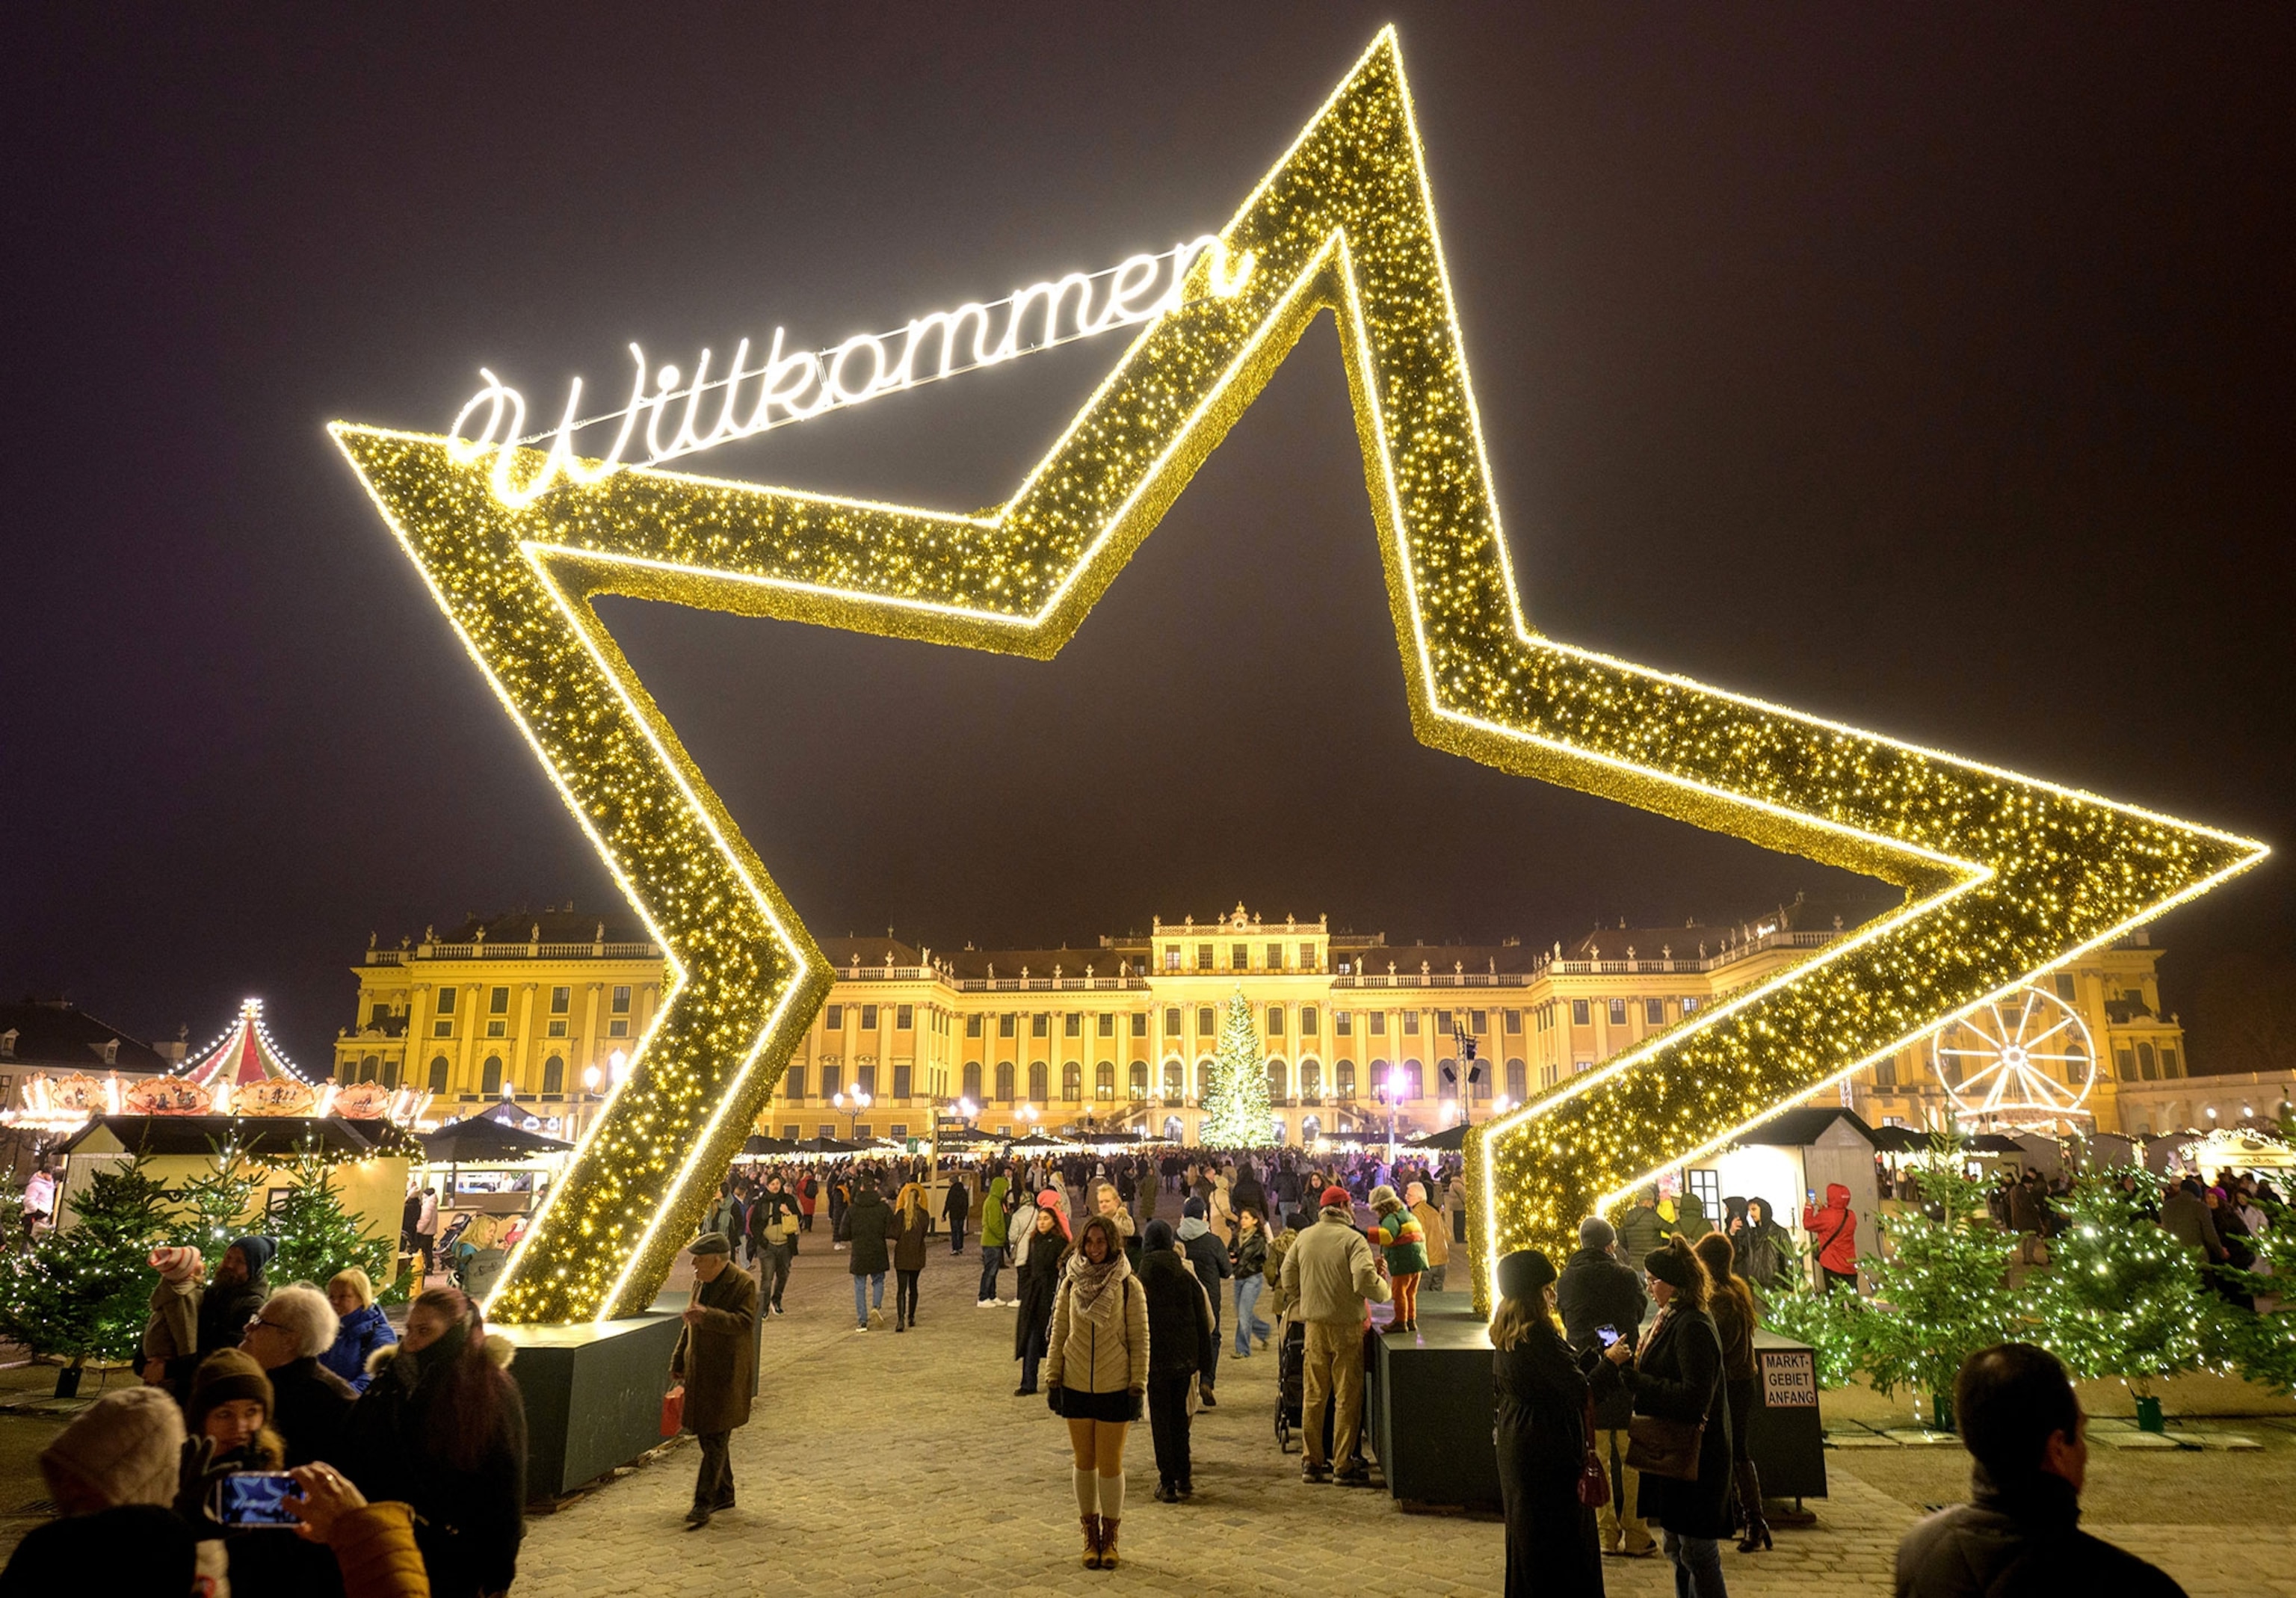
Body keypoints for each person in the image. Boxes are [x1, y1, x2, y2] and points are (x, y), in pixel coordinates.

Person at [1895, 1342, 2186, 1597]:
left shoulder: (1920, 1549)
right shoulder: (2132, 1585)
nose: (2085, 1453)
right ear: (2058, 1448)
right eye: (2081, 1434)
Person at [342, 1286, 527, 1598]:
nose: (411, 1343)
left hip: (455, 1560)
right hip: (389, 1547)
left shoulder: (490, 1392)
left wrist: (498, 1575)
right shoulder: (389, 1383)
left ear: (459, 1333)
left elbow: (506, 1486)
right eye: (410, 1330)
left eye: (425, 1332)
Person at [1596, 1235, 1732, 1598]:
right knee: (1677, 1548)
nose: (1649, 1287)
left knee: (1698, 1552)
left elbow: (1693, 1396)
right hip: (1675, 1453)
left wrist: (1639, 1380)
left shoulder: (1693, 1326)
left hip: (1695, 1454)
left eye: (1653, 1280)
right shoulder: (1671, 1317)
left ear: (1676, 1283)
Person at [5, 1386, 203, 1595]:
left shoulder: (185, 1561)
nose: (70, 1491)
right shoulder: (47, 1553)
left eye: (86, 1481)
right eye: (66, 1475)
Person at [1491, 1248, 1604, 1598]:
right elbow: (1577, 1390)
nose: (1553, 1297)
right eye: (1547, 1289)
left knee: (1528, 1540)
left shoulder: (1509, 1332)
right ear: (1534, 1294)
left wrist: (1588, 1357)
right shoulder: (1538, 1334)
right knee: (1558, 1544)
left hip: (1519, 1443)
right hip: (1547, 1448)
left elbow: (1550, 1378)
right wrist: (1611, 1365)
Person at [1045, 1214, 1147, 1570]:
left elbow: (1139, 1337)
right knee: (1084, 1461)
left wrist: (1139, 1383)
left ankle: (1111, 1537)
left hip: (1115, 1382)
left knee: (1111, 1463)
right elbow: (1059, 1331)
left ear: (1113, 1244)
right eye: (1089, 1242)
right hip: (1075, 1379)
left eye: (1101, 1242)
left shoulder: (1128, 1285)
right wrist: (1052, 1375)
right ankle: (1089, 1535)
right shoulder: (1071, 1283)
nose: (1095, 1248)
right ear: (1081, 1245)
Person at [1280, 1183, 1392, 1487]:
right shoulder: (1353, 1240)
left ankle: (1312, 1461)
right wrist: (1384, 1288)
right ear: (1343, 1207)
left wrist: (1307, 1297)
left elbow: (1287, 1277)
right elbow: (1364, 1279)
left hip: (1314, 1326)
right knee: (1347, 1397)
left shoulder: (1305, 1237)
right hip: (1346, 1328)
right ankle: (1343, 1464)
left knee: (1314, 1396)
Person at [1556, 1215, 1654, 1558]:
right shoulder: (1625, 1276)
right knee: (1631, 1459)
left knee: (1595, 1454)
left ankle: (1605, 1534)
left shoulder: (1566, 1279)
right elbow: (1640, 1312)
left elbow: (1567, 1319)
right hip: (1624, 1371)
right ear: (1611, 1244)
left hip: (1588, 1372)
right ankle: (1638, 1533)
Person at [669, 1232, 757, 1530]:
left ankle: (703, 1503)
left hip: (726, 1373)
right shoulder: (701, 1282)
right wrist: (679, 1359)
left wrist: (709, 1316)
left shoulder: (743, 1283)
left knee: (716, 1436)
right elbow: (689, 1326)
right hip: (700, 1369)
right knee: (710, 1436)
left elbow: (744, 1323)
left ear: (717, 1261)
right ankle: (725, 1493)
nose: (694, 1264)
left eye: (700, 1259)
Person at [1694, 1230, 1769, 1553]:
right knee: (1734, 1449)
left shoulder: (1723, 1299)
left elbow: (1718, 1347)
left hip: (1733, 1385)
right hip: (1739, 1382)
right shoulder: (1734, 1289)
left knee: (1737, 1450)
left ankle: (1754, 1519)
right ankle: (1742, 1515)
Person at [1138, 1218, 1215, 1503]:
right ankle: (1184, 1475)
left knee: (1161, 1420)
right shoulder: (1185, 1278)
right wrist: (1204, 1364)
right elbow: (1202, 1322)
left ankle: (1167, 1480)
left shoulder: (1140, 1280)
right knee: (1179, 1418)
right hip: (1183, 1360)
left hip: (1154, 1360)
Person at [243, 1283, 359, 1469]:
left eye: (260, 1322)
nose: (248, 1327)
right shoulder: (254, 1381)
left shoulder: (330, 1402)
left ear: (289, 1340)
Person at [165, 1235, 272, 1395]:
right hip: (186, 1381)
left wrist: (168, 1369)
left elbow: (227, 1353)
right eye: (228, 1257)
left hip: (209, 1389)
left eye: (239, 1261)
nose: (229, 1264)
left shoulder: (252, 1305)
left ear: (253, 1268)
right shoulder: (217, 1289)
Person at [1176, 1197, 1230, 1407]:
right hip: (1210, 1296)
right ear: (1203, 1216)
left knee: (1186, 1338)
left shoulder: (1175, 1238)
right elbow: (1227, 1271)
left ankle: (1187, 1384)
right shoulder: (1213, 1242)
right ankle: (1207, 1380)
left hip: (1182, 1296)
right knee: (1212, 1337)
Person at [1013, 1197, 1068, 1395]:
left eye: (1046, 1219)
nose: (1042, 1222)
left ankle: (1059, 1380)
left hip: (1052, 1297)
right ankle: (1028, 1382)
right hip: (1034, 1297)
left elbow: (1063, 1271)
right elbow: (1028, 1265)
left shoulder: (1061, 1242)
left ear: (1054, 1221)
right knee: (1031, 1340)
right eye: (1040, 1219)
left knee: (1056, 1341)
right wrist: (1027, 1287)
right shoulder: (1034, 1240)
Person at [320, 1269, 398, 1395]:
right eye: (331, 1296)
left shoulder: (379, 1335)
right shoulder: (325, 1327)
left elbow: (369, 1381)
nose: (335, 1302)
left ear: (362, 1298)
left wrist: (328, 1396)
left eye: (343, 1296)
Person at [141, 1246, 203, 1392]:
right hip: (167, 1363)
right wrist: (187, 1364)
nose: (202, 1263)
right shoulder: (183, 1297)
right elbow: (186, 1334)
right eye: (198, 1261)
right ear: (188, 1272)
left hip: (157, 1360)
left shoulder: (169, 1288)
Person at [1367, 1184, 1428, 1333]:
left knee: (1399, 1292)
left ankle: (1400, 1322)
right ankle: (1411, 1320)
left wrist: (1365, 1234)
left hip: (1403, 1261)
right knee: (1410, 1293)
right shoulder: (1407, 1215)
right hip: (1418, 1260)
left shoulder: (1391, 1217)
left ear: (1382, 1206)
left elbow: (1387, 1235)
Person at [746, 1172, 800, 1315]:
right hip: (768, 1246)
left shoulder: (788, 1200)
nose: (776, 1187)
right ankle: (764, 1308)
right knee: (767, 1278)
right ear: (767, 1186)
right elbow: (754, 1224)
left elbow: (799, 1218)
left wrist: (788, 1212)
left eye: (777, 1183)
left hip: (785, 1244)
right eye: (772, 1184)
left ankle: (776, 1300)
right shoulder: (762, 1202)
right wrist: (762, 1241)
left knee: (783, 1275)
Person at [845, 1174, 893, 1330]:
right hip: (878, 1248)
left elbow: (843, 1232)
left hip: (859, 1250)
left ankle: (862, 1320)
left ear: (861, 1188)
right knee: (878, 1280)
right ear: (876, 1188)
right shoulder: (883, 1208)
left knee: (860, 1284)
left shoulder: (853, 1209)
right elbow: (891, 1228)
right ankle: (876, 1307)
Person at [1229, 1206, 1272, 1358]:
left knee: (1243, 1314)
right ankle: (1264, 1330)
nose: (1243, 1221)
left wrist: (1236, 1260)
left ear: (1255, 1221)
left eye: (1247, 1218)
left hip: (1252, 1278)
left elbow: (1248, 1258)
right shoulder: (1237, 1236)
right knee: (1242, 1313)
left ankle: (1242, 1349)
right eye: (1242, 1218)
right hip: (1239, 1277)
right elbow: (1233, 1251)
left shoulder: (1258, 1239)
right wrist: (1232, 1257)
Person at [1802, 1182, 1858, 1294]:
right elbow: (1835, 1222)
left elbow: (1808, 1224)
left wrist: (1809, 1206)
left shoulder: (1827, 1216)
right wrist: (1822, 1207)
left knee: (1836, 1303)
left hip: (1832, 1265)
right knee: (1854, 1302)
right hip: (1849, 1265)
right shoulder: (1851, 1215)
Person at [892, 1180, 931, 1333]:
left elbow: (894, 1234)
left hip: (902, 1255)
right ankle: (911, 1317)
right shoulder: (924, 1215)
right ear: (919, 1198)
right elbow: (924, 1233)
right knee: (913, 1287)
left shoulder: (900, 1214)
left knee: (901, 1289)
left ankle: (900, 1319)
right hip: (917, 1254)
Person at [1733, 1199, 1791, 1292]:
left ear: (1764, 1210)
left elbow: (1788, 1260)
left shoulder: (1779, 1233)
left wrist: (1790, 1288)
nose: (1751, 1214)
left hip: (1775, 1288)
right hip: (1754, 1288)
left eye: (1754, 1209)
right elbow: (1738, 1254)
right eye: (1750, 1211)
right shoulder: (1751, 1234)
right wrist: (1733, 1233)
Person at [1407, 1179, 1451, 1292]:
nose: (1406, 1197)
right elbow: (1448, 1235)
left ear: (1419, 1197)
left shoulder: (1417, 1213)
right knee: (1436, 1301)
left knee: (1422, 1300)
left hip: (1427, 1263)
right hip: (1442, 1262)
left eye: (1410, 1195)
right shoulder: (1434, 1212)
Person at [978, 1169, 1012, 1306]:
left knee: (993, 1270)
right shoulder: (993, 1202)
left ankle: (992, 1295)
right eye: (1005, 1189)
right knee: (990, 1271)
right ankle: (983, 1297)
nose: (1006, 1192)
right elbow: (994, 1223)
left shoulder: (995, 1201)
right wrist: (1002, 1236)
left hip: (994, 1241)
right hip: (991, 1241)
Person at [1617, 1188, 1667, 1274]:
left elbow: (1620, 1238)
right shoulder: (1652, 1216)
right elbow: (1670, 1229)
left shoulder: (1627, 1216)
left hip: (1634, 1265)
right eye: (1652, 1201)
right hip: (1652, 1264)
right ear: (1646, 1202)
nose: (1653, 1204)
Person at [942, 1172, 971, 1254]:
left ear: (952, 1182)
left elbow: (948, 1203)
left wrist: (944, 1214)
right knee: (960, 1230)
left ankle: (955, 1248)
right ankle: (960, 1247)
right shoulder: (963, 1191)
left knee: (954, 1231)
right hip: (962, 1214)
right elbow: (966, 1203)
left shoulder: (952, 1191)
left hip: (954, 1214)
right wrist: (965, 1213)